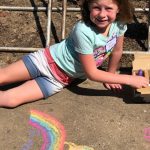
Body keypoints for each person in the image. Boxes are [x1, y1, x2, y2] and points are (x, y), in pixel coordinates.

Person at [0, 0, 149, 108]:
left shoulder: (119, 25)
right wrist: (127, 79)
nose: (102, 14)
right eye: (96, 7)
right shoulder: (83, 31)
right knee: (2, 77)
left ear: (119, 9)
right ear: (89, 7)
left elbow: (117, 51)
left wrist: (111, 75)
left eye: (108, 8)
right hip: (46, 61)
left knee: (10, 100)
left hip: (59, 80)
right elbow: (92, 74)